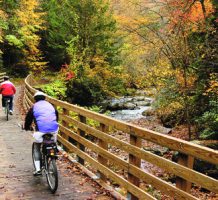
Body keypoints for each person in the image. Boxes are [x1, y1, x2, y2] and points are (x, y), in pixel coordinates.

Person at [24, 91, 59, 176]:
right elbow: (56, 116)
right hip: (54, 128)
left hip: (41, 130)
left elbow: (28, 119)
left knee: (36, 146)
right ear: (44, 98)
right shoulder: (51, 106)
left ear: (35, 99)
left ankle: (38, 169)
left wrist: (27, 127)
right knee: (53, 140)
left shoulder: (34, 107)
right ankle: (55, 149)